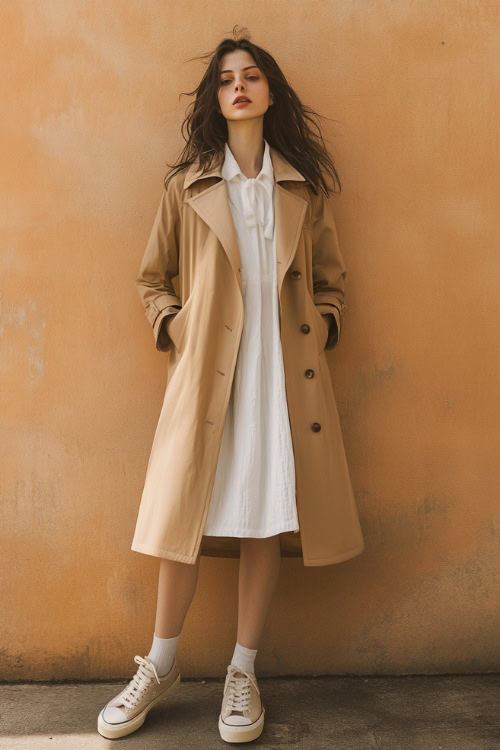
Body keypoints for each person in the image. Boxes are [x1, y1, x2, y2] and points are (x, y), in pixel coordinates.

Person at [97, 26, 364, 744]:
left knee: (264, 516)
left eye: (250, 75)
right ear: (215, 98)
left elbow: (333, 282)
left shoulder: (302, 189)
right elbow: (152, 279)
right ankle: (160, 665)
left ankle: (243, 671)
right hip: (208, 377)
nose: (238, 85)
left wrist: (324, 326)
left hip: (283, 376)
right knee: (184, 521)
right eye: (225, 78)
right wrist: (176, 326)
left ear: (270, 92)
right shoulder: (187, 185)